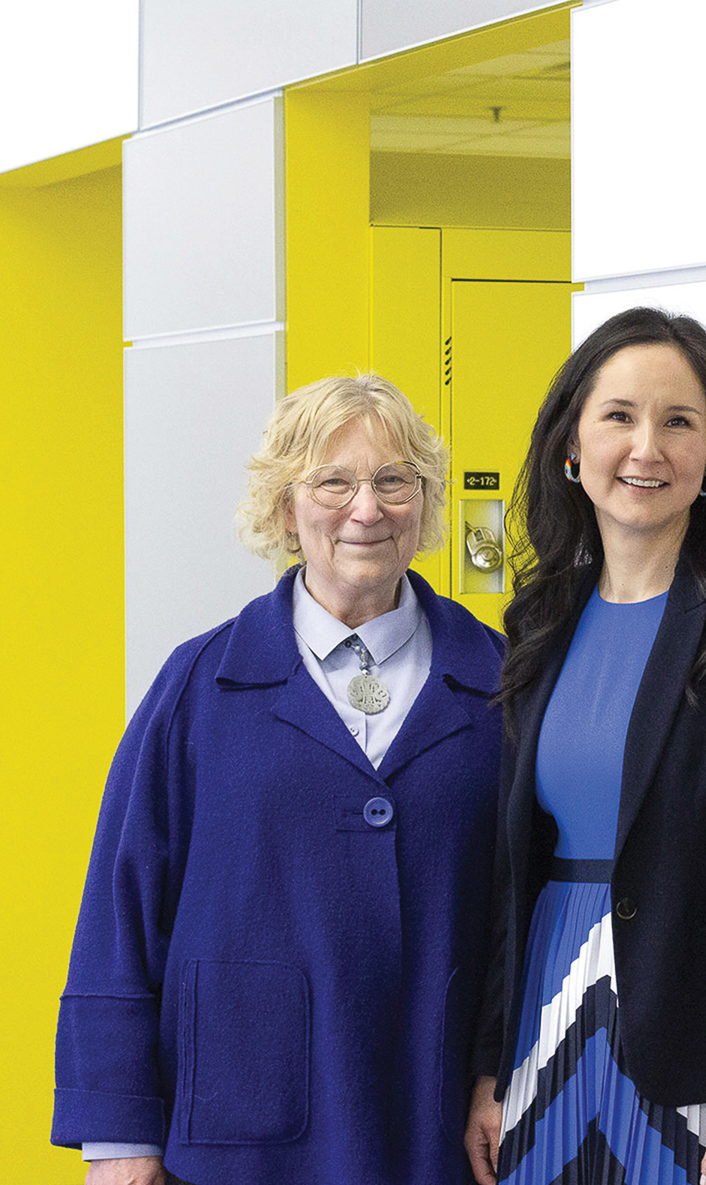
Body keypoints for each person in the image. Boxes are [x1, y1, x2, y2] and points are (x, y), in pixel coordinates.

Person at [52, 375, 507, 1184]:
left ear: (425, 501)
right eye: (333, 480)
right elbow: (121, 909)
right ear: (285, 507)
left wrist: (502, 1069)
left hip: (434, 1129)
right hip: (244, 1139)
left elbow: (527, 913)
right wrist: (117, 1134)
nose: (366, 508)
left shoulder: (501, 683)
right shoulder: (197, 684)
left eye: (393, 480)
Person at [464, 307, 706, 1185]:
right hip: (546, 1027)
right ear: (573, 446)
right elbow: (515, 874)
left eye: (678, 421)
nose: (646, 447)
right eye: (619, 416)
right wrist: (490, 1062)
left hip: (694, 1039)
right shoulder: (542, 619)